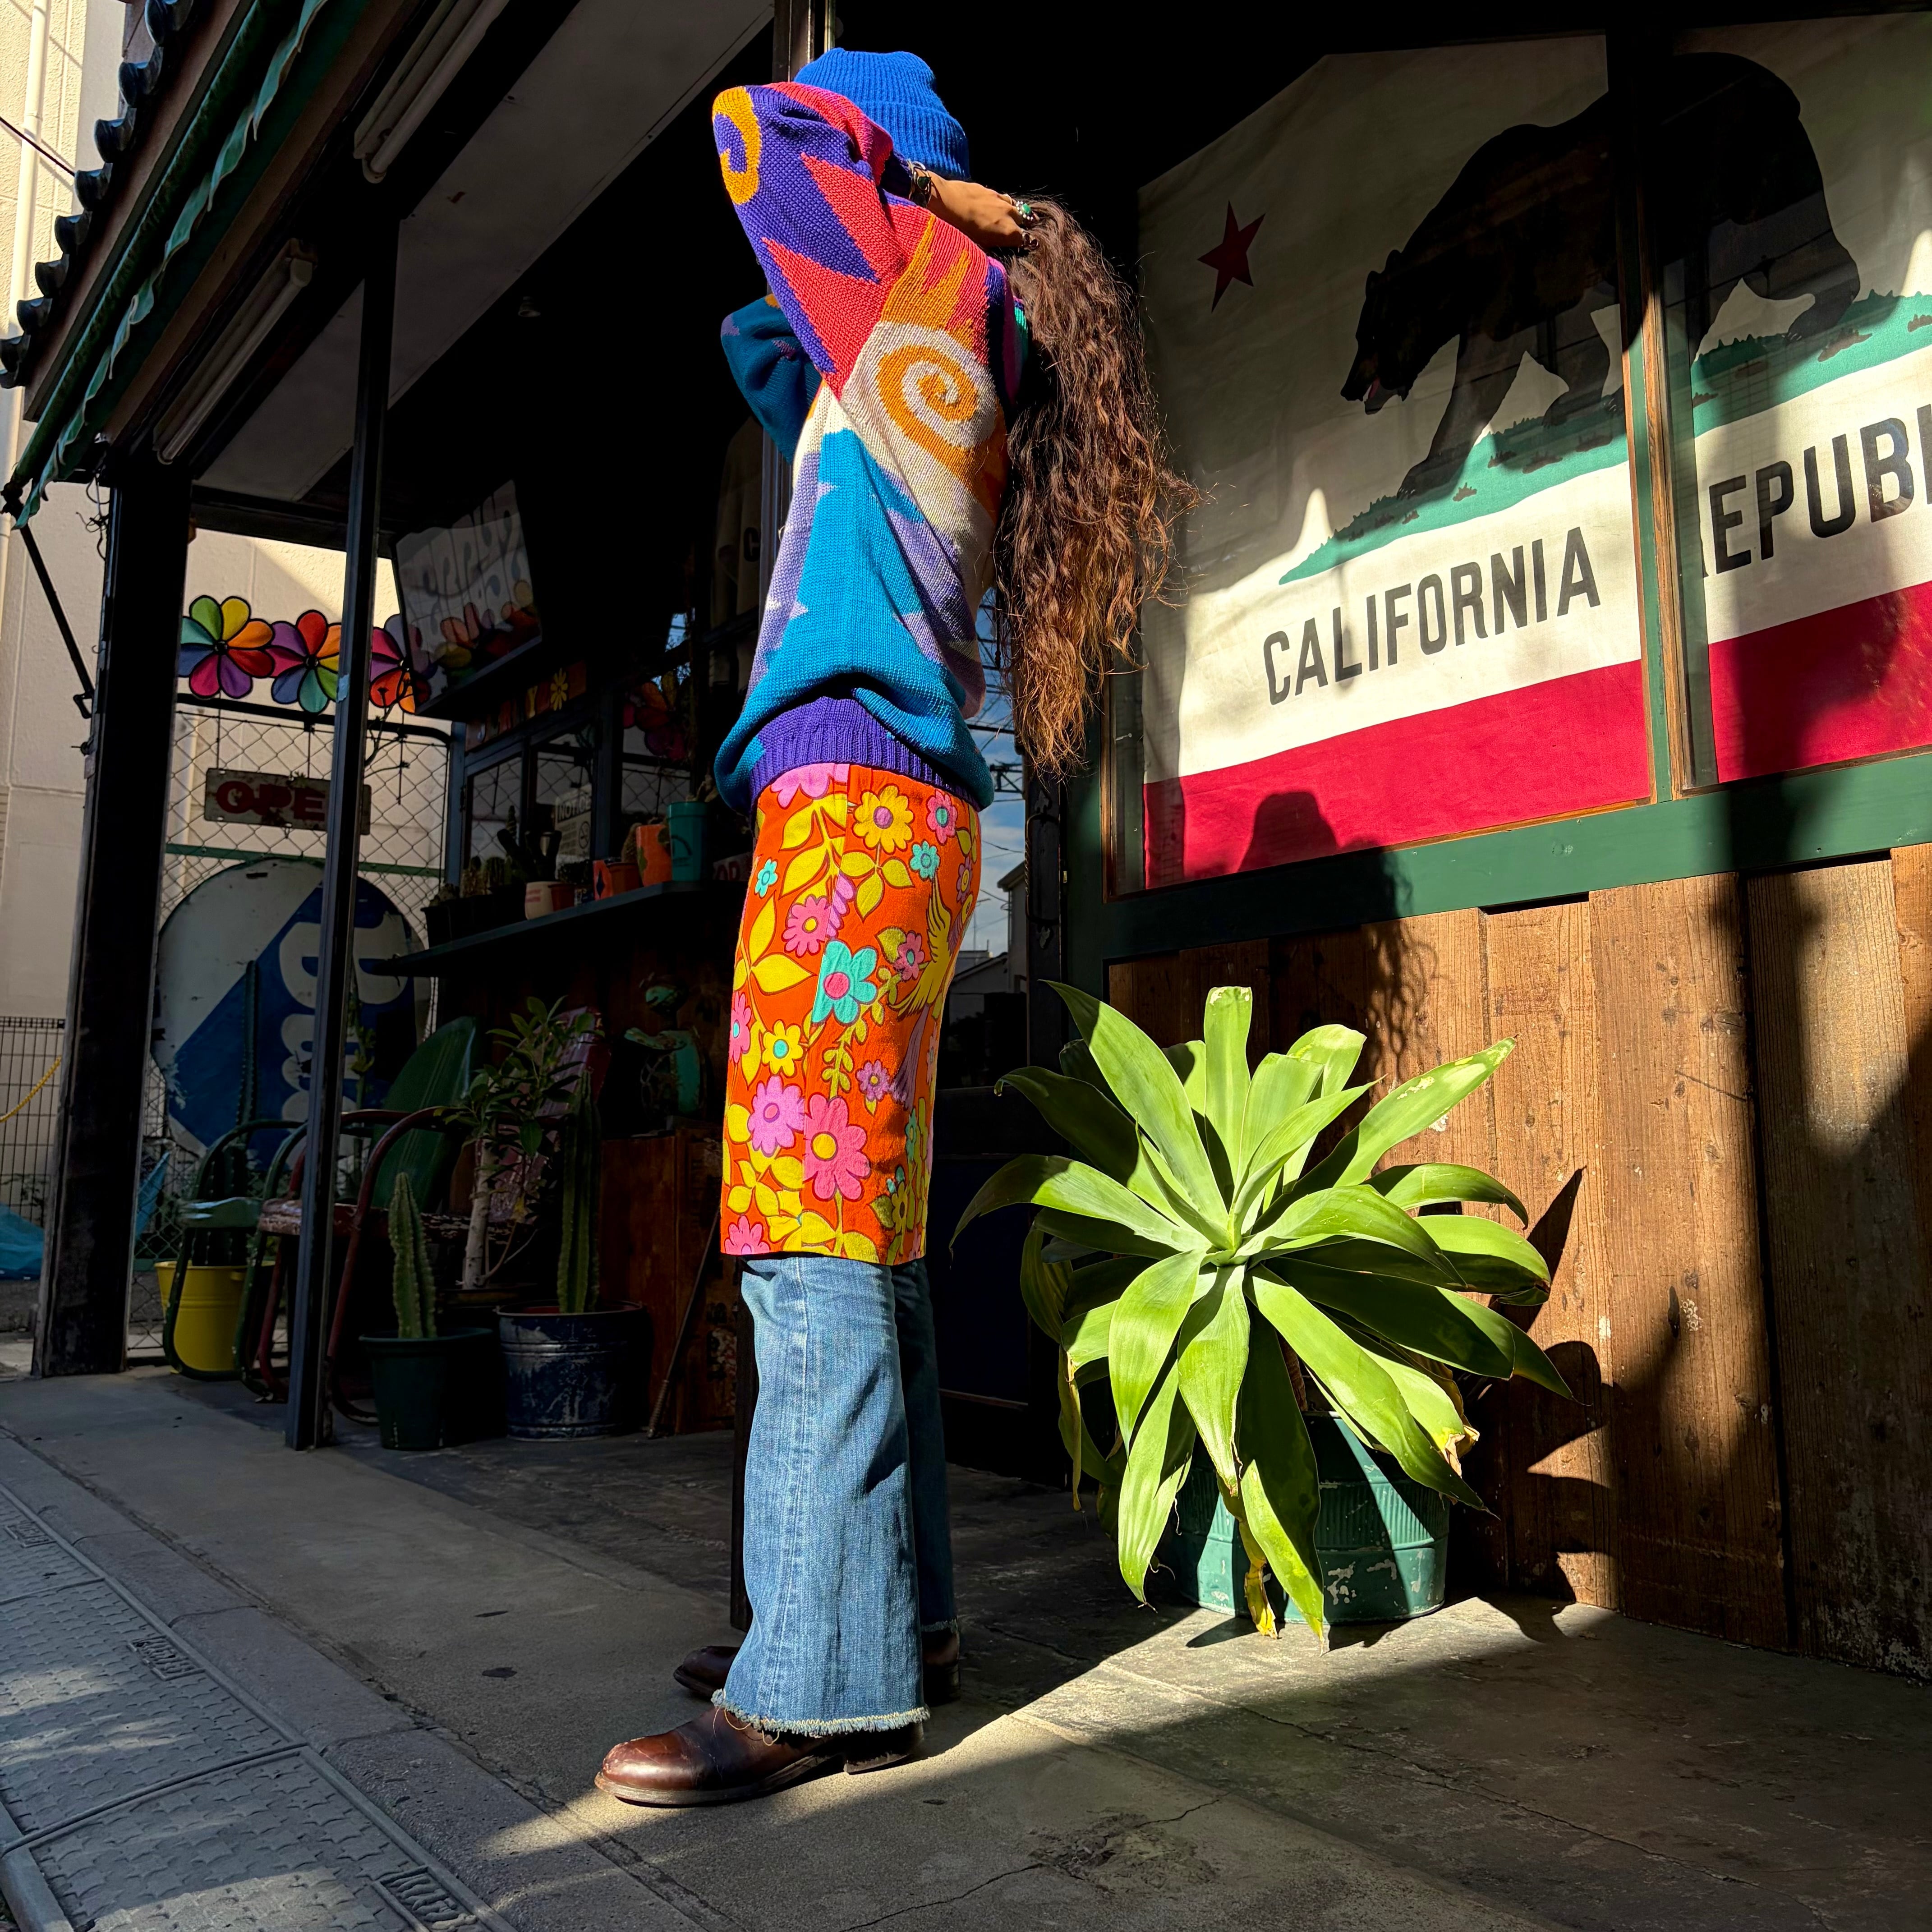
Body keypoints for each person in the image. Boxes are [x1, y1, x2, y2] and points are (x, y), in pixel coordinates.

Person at [597, 47, 1191, 1808]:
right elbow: (759, 345)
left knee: (810, 1238)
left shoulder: (928, 289)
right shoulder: (919, 345)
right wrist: (911, 213)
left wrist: (911, 179)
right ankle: (883, 1620)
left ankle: (816, 1682)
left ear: (893, 192)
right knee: (872, 1238)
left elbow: (749, 132)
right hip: (896, 821)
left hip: (849, 815)